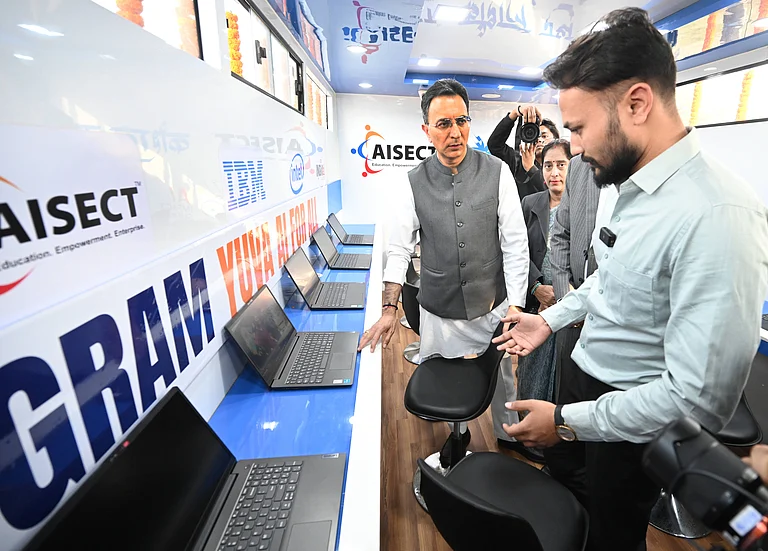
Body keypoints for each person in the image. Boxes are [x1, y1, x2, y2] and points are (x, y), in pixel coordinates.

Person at [492, 8, 768, 551]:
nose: (573, 148)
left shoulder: (718, 215)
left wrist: (566, 422)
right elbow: (610, 279)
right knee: (570, 502)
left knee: (611, 535)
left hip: (628, 417)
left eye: (578, 129)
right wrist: (549, 321)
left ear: (637, 104)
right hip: (584, 377)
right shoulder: (635, 190)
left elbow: (696, 401)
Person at [358, 79, 531, 466]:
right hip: (439, 306)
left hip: (492, 302)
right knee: (443, 377)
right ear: (426, 130)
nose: (455, 132)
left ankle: (508, 434)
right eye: (443, 124)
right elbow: (399, 248)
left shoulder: (498, 171)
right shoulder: (413, 182)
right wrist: (389, 309)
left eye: (461, 121)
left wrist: (517, 305)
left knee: (502, 377)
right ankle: (457, 432)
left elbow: (515, 243)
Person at [516, 139, 573, 463]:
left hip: (571, 306)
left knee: (563, 375)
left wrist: (565, 294)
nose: (554, 172)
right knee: (531, 372)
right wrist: (537, 287)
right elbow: (517, 251)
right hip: (536, 303)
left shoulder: (584, 205)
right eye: (548, 165)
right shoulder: (531, 203)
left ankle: (557, 439)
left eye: (561, 165)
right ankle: (530, 439)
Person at [487, 105, 560, 198]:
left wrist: (531, 169)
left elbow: (555, 194)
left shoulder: (561, 167)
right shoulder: (519, 163)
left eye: (544, 136)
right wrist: (514, 114)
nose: (539, 140)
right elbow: (495, 145)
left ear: (555, 140)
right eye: (536, 136)